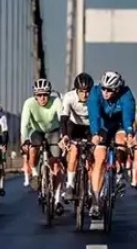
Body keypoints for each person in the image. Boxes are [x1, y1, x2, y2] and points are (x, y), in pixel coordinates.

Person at [86, 71, 136, 218]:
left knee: (122, 141)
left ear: (117, 89)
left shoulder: (126, 95)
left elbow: (128, 117)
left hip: (119, 122)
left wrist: (129, 134)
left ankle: (120, 171)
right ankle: (95, 200)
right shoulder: (95, 93)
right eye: (104, 88)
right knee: (100, 158)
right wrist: (95, 134)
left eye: (109, 90)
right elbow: (94, 114)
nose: (105, 92)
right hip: (102, 124)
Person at [20, 79, 65, 213]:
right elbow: (24, 125)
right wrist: (24, 141)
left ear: (49, 94)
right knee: (33, 148)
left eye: (45, 94)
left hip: (54, 131)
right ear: (35, 96)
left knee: (56, 163)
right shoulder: (29, 103)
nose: (42, 98)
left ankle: (57, 200)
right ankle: (34, 173)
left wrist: (63, 137)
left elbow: (62, 118)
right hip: (37, 131)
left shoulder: (56, 101)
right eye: (39, 95)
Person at [59, 72, 94, 201]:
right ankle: (70, 185)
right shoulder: (69, 97)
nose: (85, 95)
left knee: (92, 157)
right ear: (76, 90)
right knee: (73, 151)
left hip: (90, 127)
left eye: (87, 91)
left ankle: (91, 188)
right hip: (74, 126)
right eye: (81, 91)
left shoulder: (95, 97)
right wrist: (64, 136)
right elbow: (63, 119)